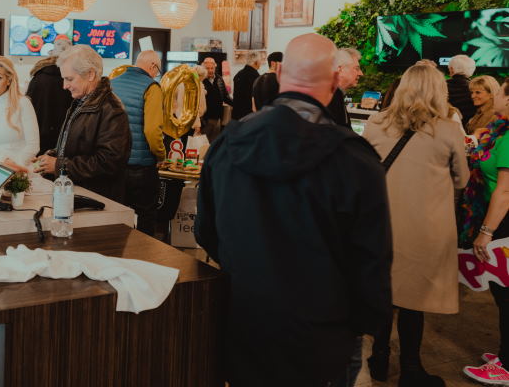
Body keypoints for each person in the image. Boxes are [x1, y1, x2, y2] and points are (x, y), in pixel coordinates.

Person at [194, 33, 392, 387]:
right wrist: (359, 326)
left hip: (247, 320)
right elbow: (372, 259)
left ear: (281, 72)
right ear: (334, 79)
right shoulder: (355, 159)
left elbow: (206, 231)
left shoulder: (228, 143)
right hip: (321, 333)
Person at [363, 65, 469, 386]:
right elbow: (462, 178)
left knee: (385, 293)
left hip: (381, 225)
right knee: (413, 302)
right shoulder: (449, 130)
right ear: (439, 90)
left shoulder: (375, 122)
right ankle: (410, 369)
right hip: (424, 227)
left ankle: (379, 358)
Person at [459, 78, 509, 385]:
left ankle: (506, 365)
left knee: (506, 295)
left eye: (503, 92)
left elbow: (504, 192)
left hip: (503, 222)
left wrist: (486, 232)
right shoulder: (501, 131)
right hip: (499, 220)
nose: (498, 98)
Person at [33, 45, 130, 202]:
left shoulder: (111, 110)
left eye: (69, 79)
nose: (64, 86)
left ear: (90, 74)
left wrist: (59, 165)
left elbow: (109, 163)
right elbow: (76, 145)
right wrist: (50, 157)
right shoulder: (81, 102)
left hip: (98, 201)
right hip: (78, 194)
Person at [110, 50, 167, 235]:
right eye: (157, 70)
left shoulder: (112, 83)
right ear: (152, 67)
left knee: (117, 217)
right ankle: (144, 259)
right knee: (145, 217)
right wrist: (161, 155)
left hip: (114, 164)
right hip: (140, 168)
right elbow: (152, 130)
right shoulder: (152, 87)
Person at [26, 38, 74, 156]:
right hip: (65, 139)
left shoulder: (38, 76)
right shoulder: (72, 79)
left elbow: (28, 106)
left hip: (37, 136)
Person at [327, 47, 364, 127]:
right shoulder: (329, 98)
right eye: (356, 69)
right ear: (339, 69)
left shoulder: (334, 95)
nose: (361, 73)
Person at [200, 56, 231, 140]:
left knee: (214, 143)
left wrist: (236, 103)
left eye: (212, 68)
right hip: (204, 119)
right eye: (207, 68)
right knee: (203, 143)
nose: (210, 70)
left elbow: (225, 96)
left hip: (218, 118)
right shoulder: (200, 80)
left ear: (215, 67)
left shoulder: (219, 79)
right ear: (203, 68)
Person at [447, 54, 477, 126]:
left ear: (451, 69)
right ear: (472, 71)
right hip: (469, 129)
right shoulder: (477, 89)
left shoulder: (440, 86)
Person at [231, 52, 261, 120]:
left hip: (237, 113)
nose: (260, 63)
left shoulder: (238, 74)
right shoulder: (256, 77)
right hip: (249, 115)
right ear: (256, 62)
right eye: (260, 61)